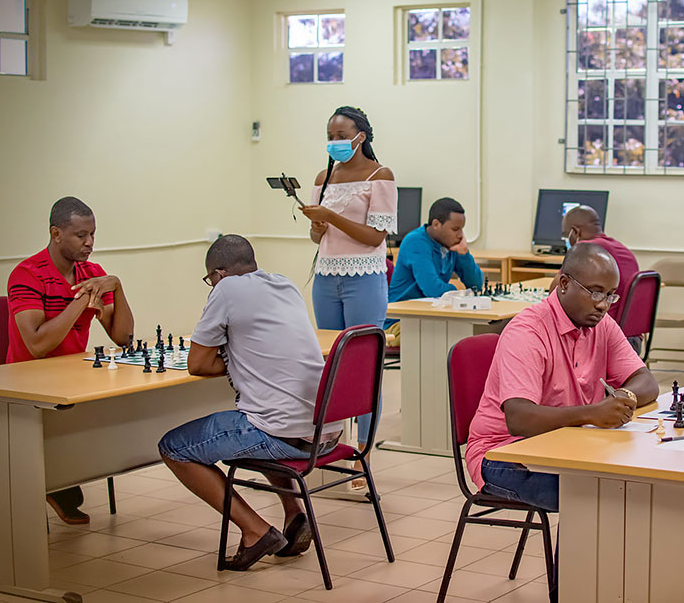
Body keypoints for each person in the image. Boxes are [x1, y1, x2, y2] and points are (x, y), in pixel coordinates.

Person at [158, 235, 342, 571]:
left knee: (174, 447)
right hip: (324, 432)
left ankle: (255, 531)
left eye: (209, 280)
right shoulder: (284, 285)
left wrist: (232, 358)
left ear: (218, 274)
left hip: (283, 436)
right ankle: (294, 513)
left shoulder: (226, 290)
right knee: (268, 409)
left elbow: (197, 363)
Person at [466, 242, 659, 514]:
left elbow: (646, 381)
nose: (603, 304)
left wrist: (623, 398)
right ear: (565, 284)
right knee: (592, 491)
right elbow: (519, 418)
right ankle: (575, 559)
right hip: (503, 455)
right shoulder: (528, 332)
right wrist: (592, 414)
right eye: (595, 292)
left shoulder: (600, 324)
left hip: (568, 443)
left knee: (634, 477)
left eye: (611, 295)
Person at [7, 196, 135, 525]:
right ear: (56, 233)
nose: (90, 243)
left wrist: (117, 288)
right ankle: (54, 481)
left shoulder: (92, 273)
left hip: (72, 377)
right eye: (81, 236)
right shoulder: (27, 274)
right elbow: (36, 345)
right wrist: (81, 300)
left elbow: (122, 338)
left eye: (93, 234)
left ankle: (63, 480)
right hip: (28, 383)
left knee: (118, 414)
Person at [299, 106, 395, 487]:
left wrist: (332, 217)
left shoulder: (380, 175)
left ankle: (364, 456)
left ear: (361, 136)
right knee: (330, 366)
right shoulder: (324, 176)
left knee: (364, 366)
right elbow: (317, 235)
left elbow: (376, 236)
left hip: (365, 278)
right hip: (326, 278)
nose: (336, 142)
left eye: (342, 135)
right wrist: (318, 226)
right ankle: (328, 449)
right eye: (331, 135)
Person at [388, 197, 483, 303]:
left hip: (431, 311)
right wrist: (459, 292)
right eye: (455, 229)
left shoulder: (450, 244)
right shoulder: (415, 242)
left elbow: (476, 285)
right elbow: (433, 290)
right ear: (436, 224)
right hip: (401, 315)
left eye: (462, 229)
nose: (461, 235)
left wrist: (464, 254)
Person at [559, 205, 639, 321]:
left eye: (566, 235)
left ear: (575, 232)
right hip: (632, 332)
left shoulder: (588, 252)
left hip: (602, 328)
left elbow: (557, 290)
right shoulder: (622, 249)